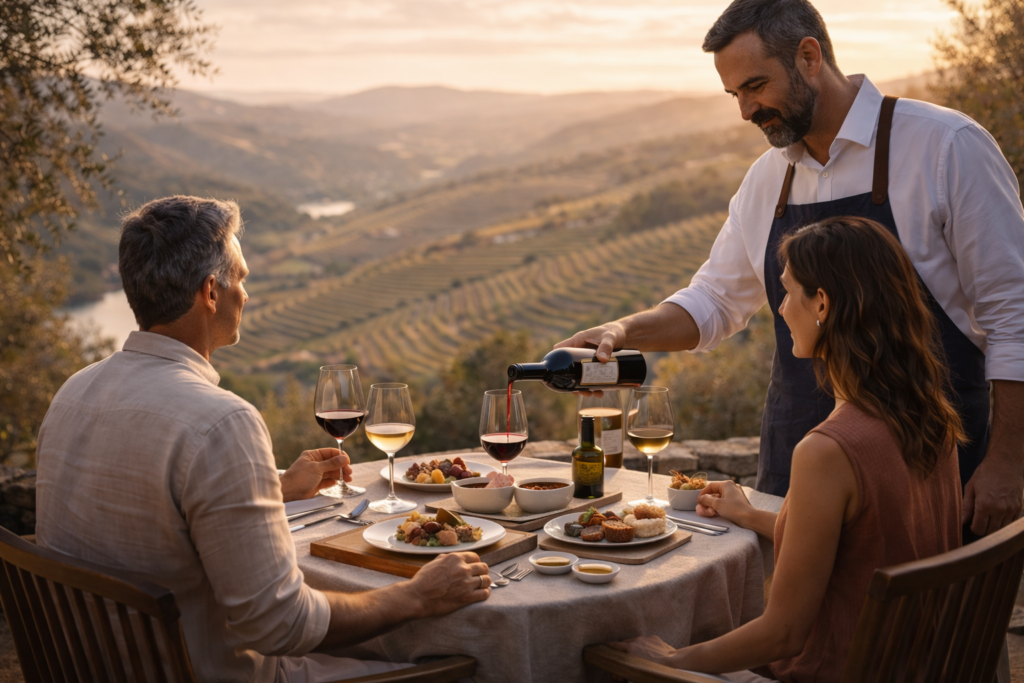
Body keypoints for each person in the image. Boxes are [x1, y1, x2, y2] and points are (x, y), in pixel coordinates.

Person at [556, 0, 1024, 540]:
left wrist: (1007, 462)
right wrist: (622, 332)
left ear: (808, 57)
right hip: (795, 459)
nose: (745, 110)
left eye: (755, 86)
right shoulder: (766, 179)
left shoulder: (945, 147)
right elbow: (713, 303)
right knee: (797, 621)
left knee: (925, 622)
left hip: (925, 466)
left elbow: (1013, 316)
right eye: (735, 94)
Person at [34, 196, 491, 682]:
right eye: (243, 279)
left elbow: (146, 500)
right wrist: (417, 596)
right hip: (210, 673)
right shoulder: (220, 420)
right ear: (211, 291)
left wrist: (278, 485)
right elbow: (281, 625)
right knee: (471, 666)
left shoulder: (73, 393)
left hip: (98, 667)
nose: (246, 296)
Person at [611, 216, 964, 682]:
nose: (780, 310)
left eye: (788, 292)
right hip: (912, 665)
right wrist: (753, 515)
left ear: (823, 304)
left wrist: (670, 661)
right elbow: (869, 543)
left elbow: (784, 636)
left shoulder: (829, 450)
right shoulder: (930, 417)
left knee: (620, 656)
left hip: (833, 669)